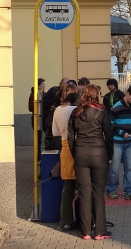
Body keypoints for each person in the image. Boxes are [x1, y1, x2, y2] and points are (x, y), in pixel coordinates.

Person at [68, 84, 113, 240]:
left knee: (84, 194)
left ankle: (85, 231)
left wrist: (76, 154)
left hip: (81, 155)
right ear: (96, 95)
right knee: (98, 194)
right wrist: (110, 155)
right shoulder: (102, 111)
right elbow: (109, 135)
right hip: (99, 155)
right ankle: (100, 231)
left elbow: (70, 137)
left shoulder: (76, 112)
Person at [51, 84, 80, 231]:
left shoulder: (57, 110)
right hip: (78, 147)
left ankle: (66, 220)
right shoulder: (75, 110)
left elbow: (55, 132)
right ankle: (84, 219)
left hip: (64, 147)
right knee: (83, 186)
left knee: (68, 187)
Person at [105, 85, 131, 201]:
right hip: (117, 142)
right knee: (114, 168)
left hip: (129, 142)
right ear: (127, 93)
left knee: (130, 168)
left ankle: (129, 191)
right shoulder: (116, 108)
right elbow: (110, 125)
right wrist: (121, 132)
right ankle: (111, 189)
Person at [28, 78, 47, 163]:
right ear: (38, 86)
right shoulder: (33, 95)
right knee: (38, 139)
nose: (44, 86)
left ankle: (46, 155)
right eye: (43, 84)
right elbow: (30, 108)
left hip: (44, 118)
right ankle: (38, 157)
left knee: (46, 137)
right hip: (36, 119)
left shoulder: (45, 94)